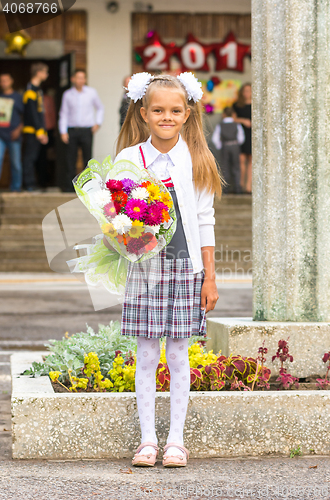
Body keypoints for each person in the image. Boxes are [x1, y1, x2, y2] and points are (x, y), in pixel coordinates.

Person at [113, 73, 222, 468]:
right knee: (145, 356)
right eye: (157, 110)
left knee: (178, 356)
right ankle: (147, 440)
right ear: (143, 113)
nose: (166, 117)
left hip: (186, 270)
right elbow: (113, 218)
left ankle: (176, 440)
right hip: (145, 271)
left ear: (188, 113)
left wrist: (209, 277)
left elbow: (205, 220)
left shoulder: (196, 160)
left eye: (175, 111)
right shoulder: (129, 160)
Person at [58, 69, 104, 192]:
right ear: (73, 79)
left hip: (87, 130)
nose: (80, 80)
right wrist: (63, 131)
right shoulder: (68, 94)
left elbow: (100, 108)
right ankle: (69, 187)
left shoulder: (91, 92)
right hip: (72, 130)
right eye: (78, 77)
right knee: (70, 159)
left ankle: (87, 186)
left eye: (83, 77)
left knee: (87, 159)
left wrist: (97, 123)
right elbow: (64, 113)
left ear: (85, 79)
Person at [22, 62, 49, 191]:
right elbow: (32, 113)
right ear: (39, 73)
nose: (47, 74)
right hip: (32, 131)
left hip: (38, 130)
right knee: (29, 158)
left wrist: (43, 130)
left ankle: (32, 183)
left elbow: (40, 113)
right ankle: (29, 184)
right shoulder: (30, 90)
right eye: (45, 72)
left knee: (35, 158)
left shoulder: (38, 90)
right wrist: (40, 131)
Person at [0, 73, 23, 192]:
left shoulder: (18, 97)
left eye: (6, 80)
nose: (4, 83)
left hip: (14, 135)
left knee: (16, 164)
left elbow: (26, 116)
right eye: (1, 81)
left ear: (11, 81)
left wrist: (18, 130)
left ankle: (16, 189)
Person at [211, 106, 245, 194]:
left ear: (224, 115)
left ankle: (226, 188)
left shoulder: (220, 125)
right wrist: (236, 144)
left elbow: (215, 138)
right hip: (235, 146)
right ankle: (237, 187)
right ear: (233, 114)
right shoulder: (237, 125)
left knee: (225, 167)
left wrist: (220, 146)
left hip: (225, 146)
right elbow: (241, 138)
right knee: (236, 167)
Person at [233, 83, 252, 193]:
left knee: (251, 160)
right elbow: (233, 119)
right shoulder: (237, 105)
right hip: (240, 134)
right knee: (241, 159)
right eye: (245, 91)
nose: (247, 93)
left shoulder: (257, 105)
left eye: (249, 91)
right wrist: (243, 121)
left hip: (251, 134)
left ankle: (248, 186)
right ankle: (240, 184)